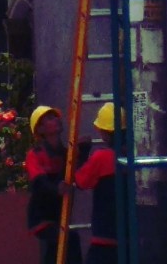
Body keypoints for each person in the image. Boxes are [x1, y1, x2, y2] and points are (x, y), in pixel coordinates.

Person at [26, 105, 82, 264]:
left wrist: (84, 151)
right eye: (50, 118)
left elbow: (79, 174)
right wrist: (57, 189)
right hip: (42, 216)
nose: (57, 120)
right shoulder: (35, 154)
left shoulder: (66, 153)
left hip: (59, 214)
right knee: (69, 239)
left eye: (56, 117)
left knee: (56, 251)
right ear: (40, 129)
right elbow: (39, 183)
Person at [74, 102, 128, 264]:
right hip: (129, 238)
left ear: (104, 134)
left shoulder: (102, 158)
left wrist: (83, 152)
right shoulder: (132, 156)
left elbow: (81, 181)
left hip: (104, 238)